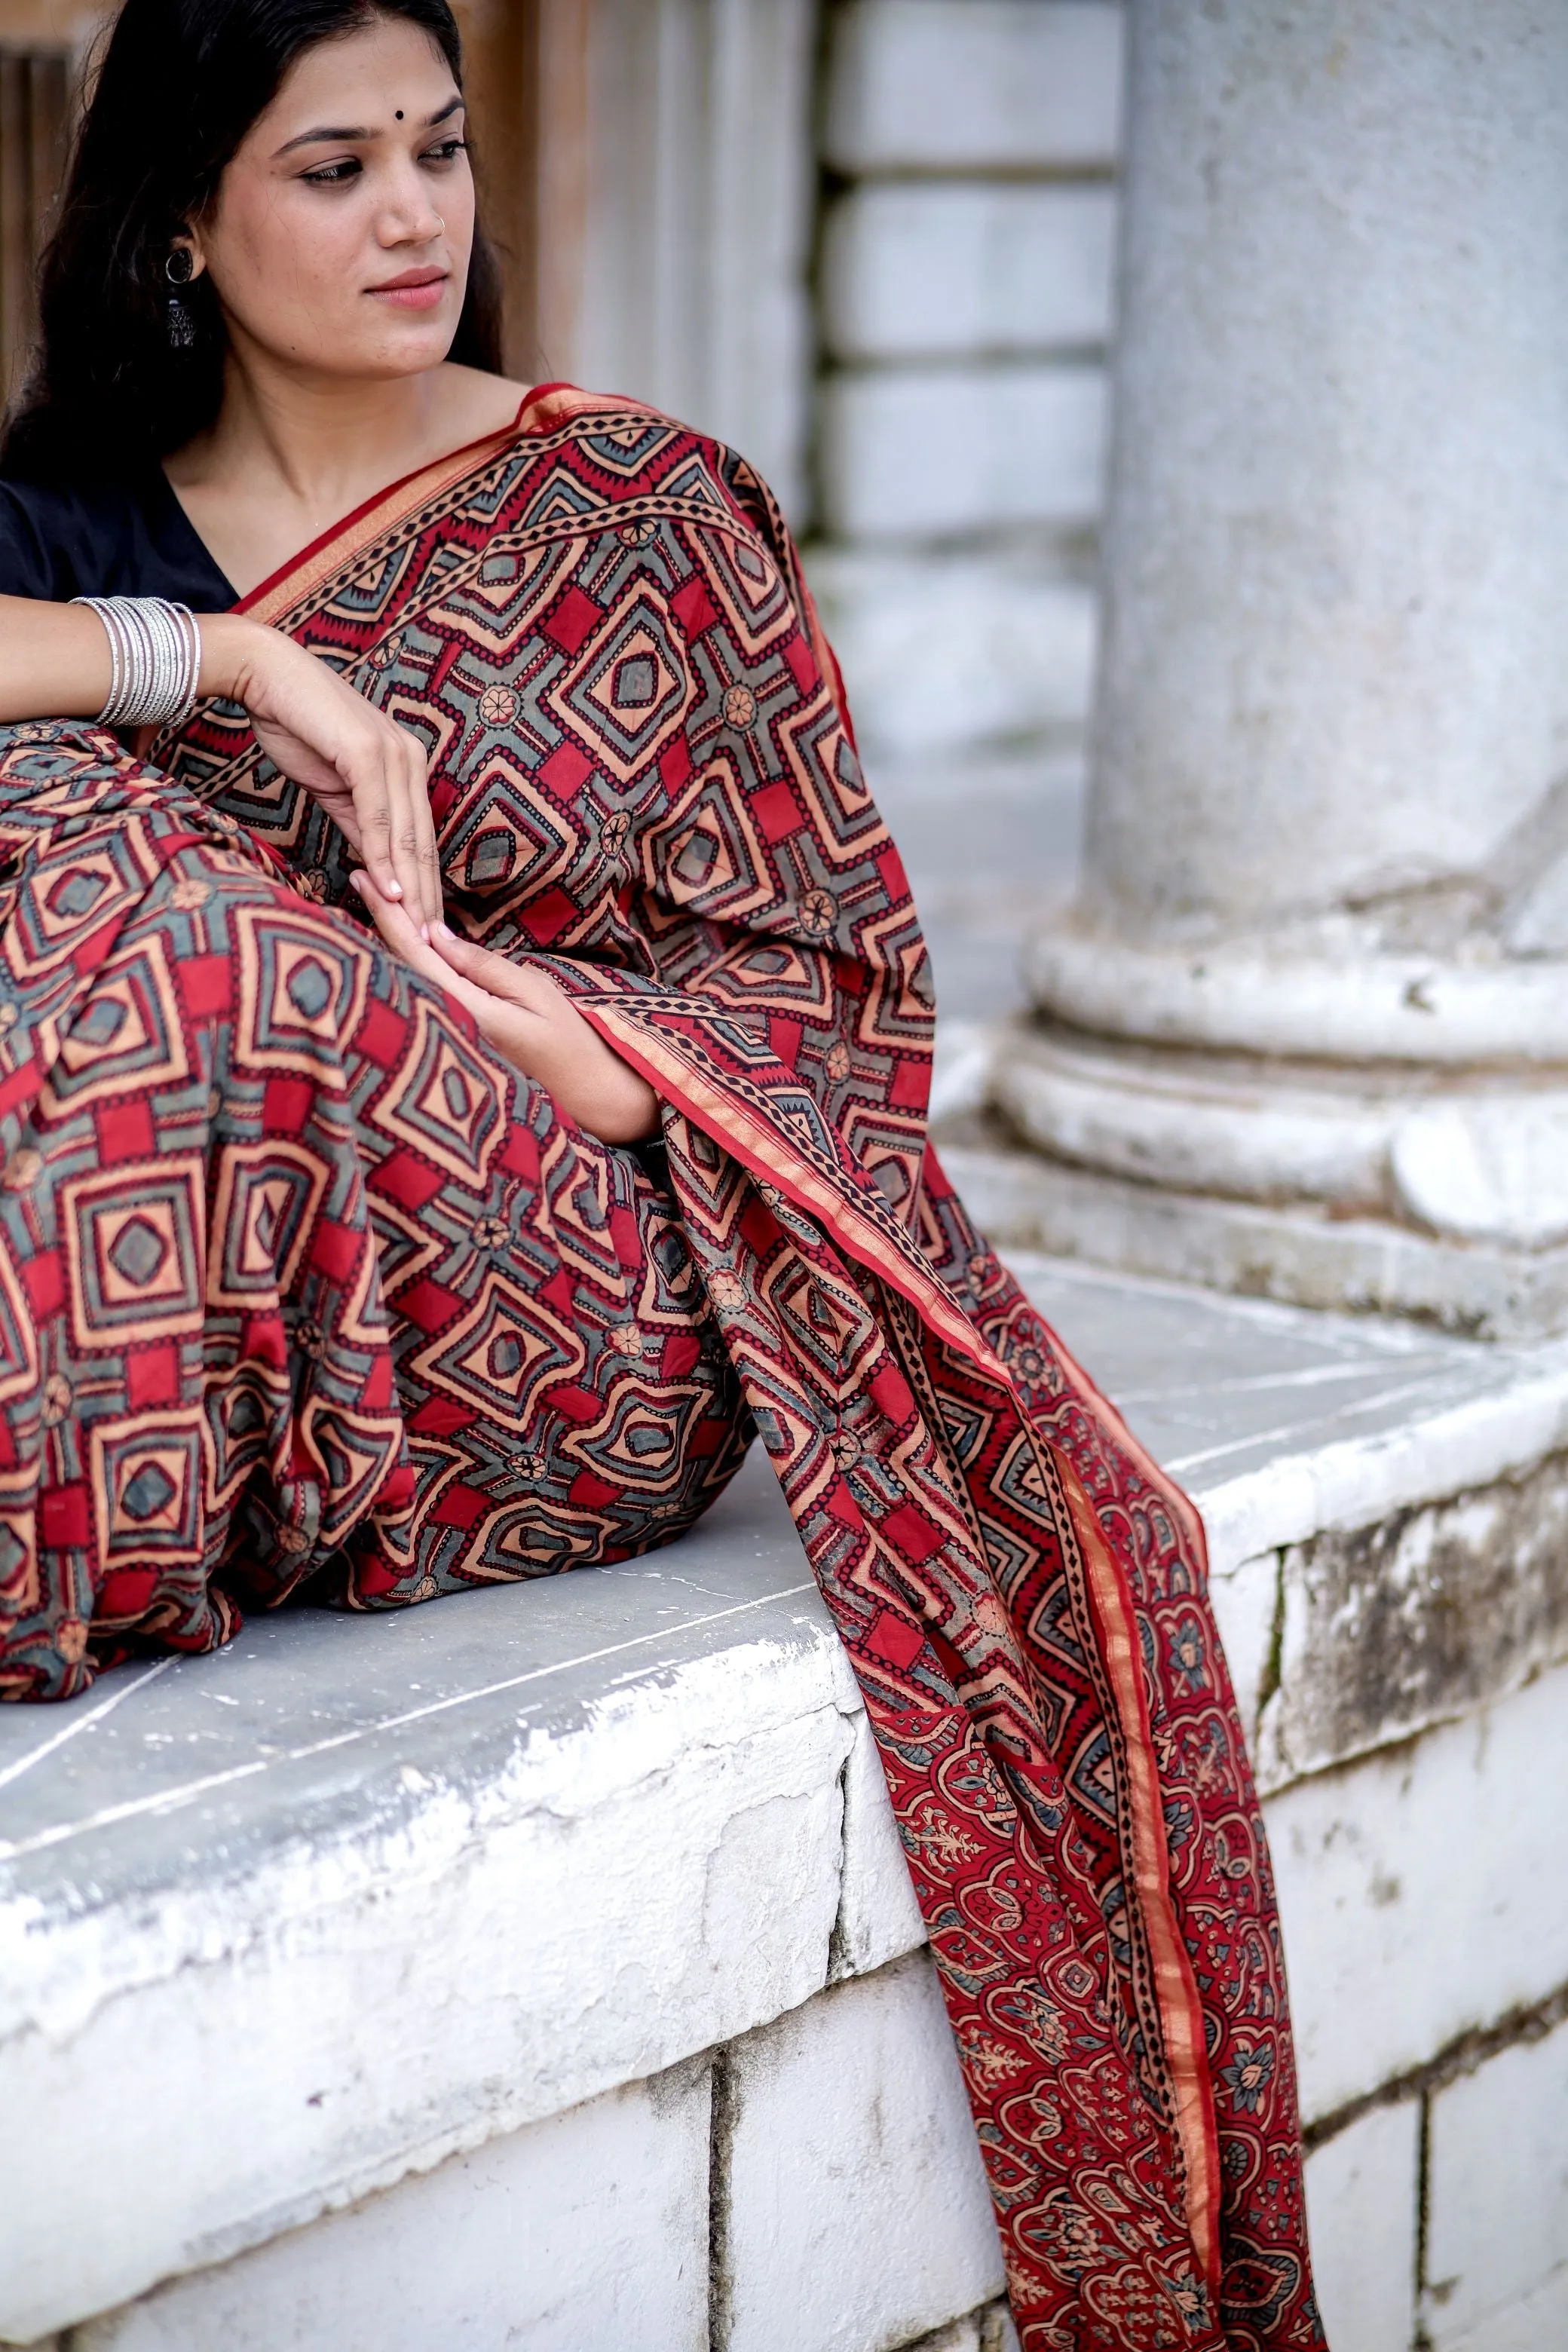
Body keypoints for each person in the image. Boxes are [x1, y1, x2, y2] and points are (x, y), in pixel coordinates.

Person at [0, 4, 1324, 2344]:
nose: (418, 215)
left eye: (439, 147)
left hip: (590, 1304)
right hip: (204, 1264)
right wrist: (215, 662)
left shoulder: (635, 509)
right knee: (73, 823)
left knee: (210, 955)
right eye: (333, 170)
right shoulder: (70, 529)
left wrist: (619, 1070)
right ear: (184, 224)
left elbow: (854, 1001)